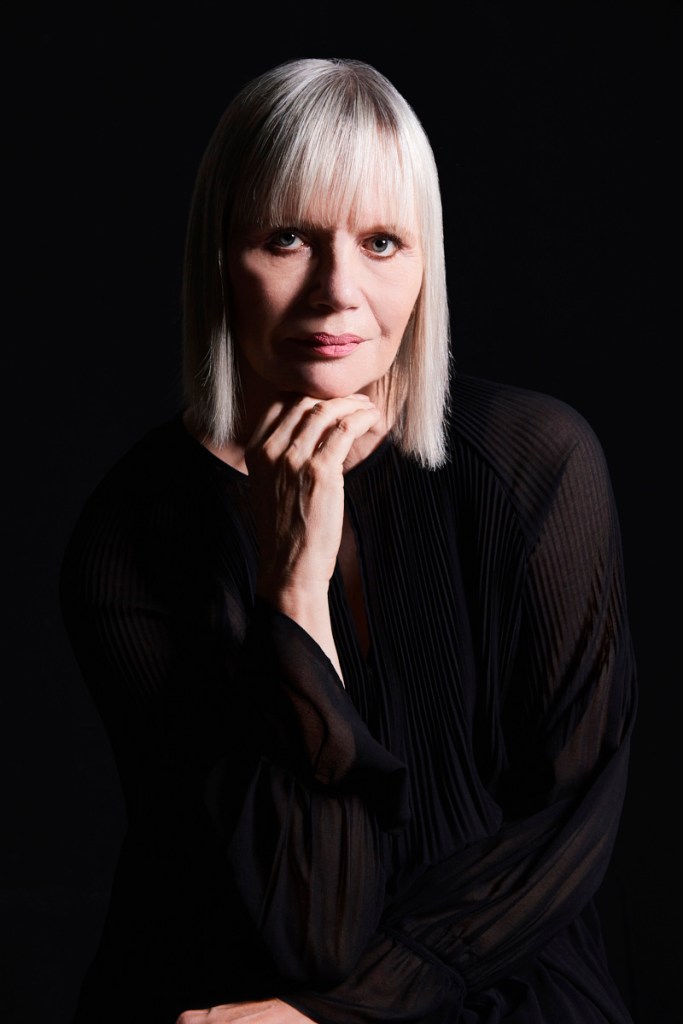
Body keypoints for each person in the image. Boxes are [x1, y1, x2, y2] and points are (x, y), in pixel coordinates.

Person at [59, 57, 637, 1024]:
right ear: (220, 256)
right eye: (287, 237)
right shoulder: (128, 541)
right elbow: (306, 925)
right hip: (232, 992)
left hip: (499, 981)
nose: (337, 291)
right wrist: (295, 586)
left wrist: (342, 1013)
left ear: (426, 262)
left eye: (380, 241)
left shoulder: (535, 464)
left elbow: (568, 821)